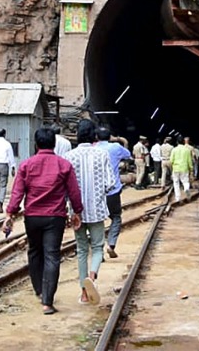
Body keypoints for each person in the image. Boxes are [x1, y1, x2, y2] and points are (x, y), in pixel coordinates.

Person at [3, 126, 82, 316]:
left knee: (34, 252)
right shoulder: (64, 165)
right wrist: (77, 212)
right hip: (55, 217)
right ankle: (48, 301)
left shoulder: (26, 165)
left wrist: (10, 214)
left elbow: (17, 193)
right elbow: (74, 192)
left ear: (36, 144)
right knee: (52, 256)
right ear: (54, 143)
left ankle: (39, 290)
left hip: (32, 217)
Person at [65, 119, 117, 305]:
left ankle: (84, 293)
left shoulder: (69, 156)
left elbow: (65, 186)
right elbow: (111, 183)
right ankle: (92, 277)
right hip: (97, 209)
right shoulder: (101, 154)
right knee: (97, 247)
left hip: (77, 212)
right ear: (94, 135)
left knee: (81, 250)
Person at [96, 127, 132, 258]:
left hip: (96, 191)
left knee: (97, 221)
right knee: (116, 217)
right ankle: (111, 244)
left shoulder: (93, 148)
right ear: (109, 136)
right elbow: (128, 155)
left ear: (96, 137)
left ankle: (98, 252)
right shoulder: (116, 147)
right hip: (112, 191)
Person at [170, 136, 194, 201]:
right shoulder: (187, 150)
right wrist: (191, 169)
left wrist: (172, 167)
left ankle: (178, 198)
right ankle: (186, 188)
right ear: (183, 142)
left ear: (177, 142)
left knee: (176, 182)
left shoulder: (174, 150)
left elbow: (171, 160)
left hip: (176, 168)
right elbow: (189, 161)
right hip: (184, 168)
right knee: (185, 181)